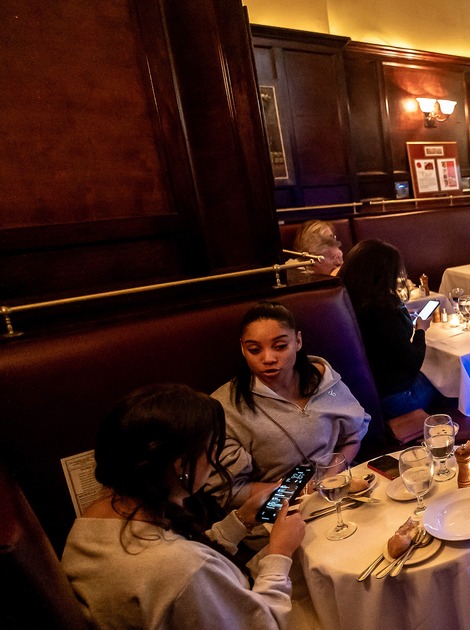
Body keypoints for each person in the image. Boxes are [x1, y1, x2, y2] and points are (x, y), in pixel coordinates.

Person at [61, 384, 307, 629]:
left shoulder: (94, 516)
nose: (215, 461)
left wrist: (241, 520)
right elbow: (263, 625)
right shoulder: (184, 570)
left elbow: (176, 565)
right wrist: (279, 554)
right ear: (181, 466)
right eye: (211, 450)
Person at [212, 302, 370, 507]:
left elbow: (353, 435)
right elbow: (230, 490)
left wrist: (329, 480)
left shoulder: (324, 383)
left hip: (339, 490)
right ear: (243, 348)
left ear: (298, 340)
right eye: (254, 349)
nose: (268, 358)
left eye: (280, 347)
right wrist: (302, 490)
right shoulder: (225, 408)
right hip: (278, 510)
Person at [339, 240, 442, 428]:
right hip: (396, 399)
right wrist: (421, 329)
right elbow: (413, 362)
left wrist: (402, 318)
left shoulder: (349, 299)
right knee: (447, 382)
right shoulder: (381, 310)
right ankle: (445, 431)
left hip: (365, 392)